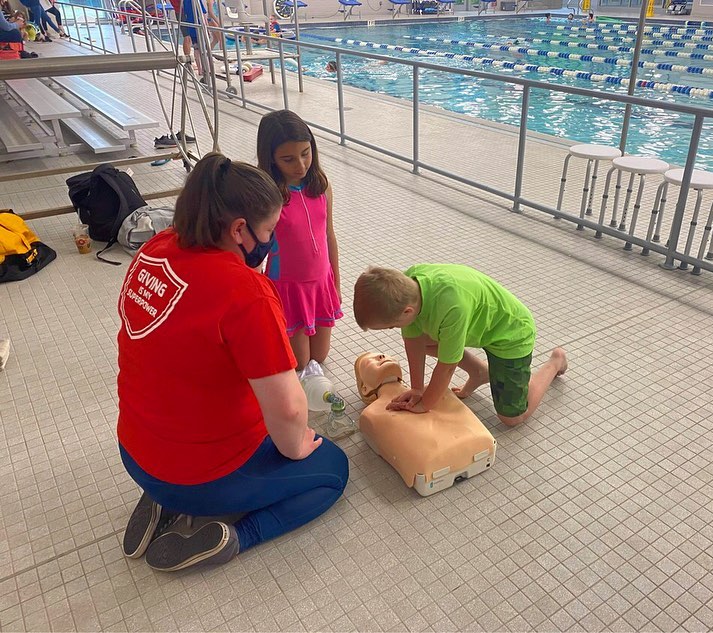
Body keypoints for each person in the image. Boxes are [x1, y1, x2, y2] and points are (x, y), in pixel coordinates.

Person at [117, 153, 349, 572]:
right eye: (269, 230)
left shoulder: (154, 250)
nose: (272, 240)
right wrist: (296, 446)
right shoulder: (245, 292)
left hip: (134, 452)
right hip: (200, 474)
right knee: (333, 469)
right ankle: (235, 537)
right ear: (240, 230)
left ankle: (161, 498)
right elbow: (289, 408)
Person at [353, 264, 568, 427]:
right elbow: (414, 342)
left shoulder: (452, 307)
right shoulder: (408, 287)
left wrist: (425, 404)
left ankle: (555, 361)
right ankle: (481, 372)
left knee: (512, 418)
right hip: (479, 327)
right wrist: (417, 389)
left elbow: (447, 367)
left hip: (511, 335)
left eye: (392, 326)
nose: (394, 329)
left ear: (407, 311)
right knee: (427, 341)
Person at [257, 110, 343, 371]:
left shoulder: (321, 185)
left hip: (320, 282)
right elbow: (253, 250)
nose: (301, 165)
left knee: (320, 357)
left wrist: (336, 284)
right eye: (288, 159)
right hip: (287, 287)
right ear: (271, 159)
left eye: (306, 153)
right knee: (299, 362)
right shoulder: (268, 196)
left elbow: (329, 235)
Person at [354, 352, 496, 491]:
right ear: (365, 388)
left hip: (442, 466)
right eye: (369, 361)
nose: (381, 356)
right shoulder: (372, 414)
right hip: (438, 466)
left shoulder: (437, 389)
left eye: (385, 355)